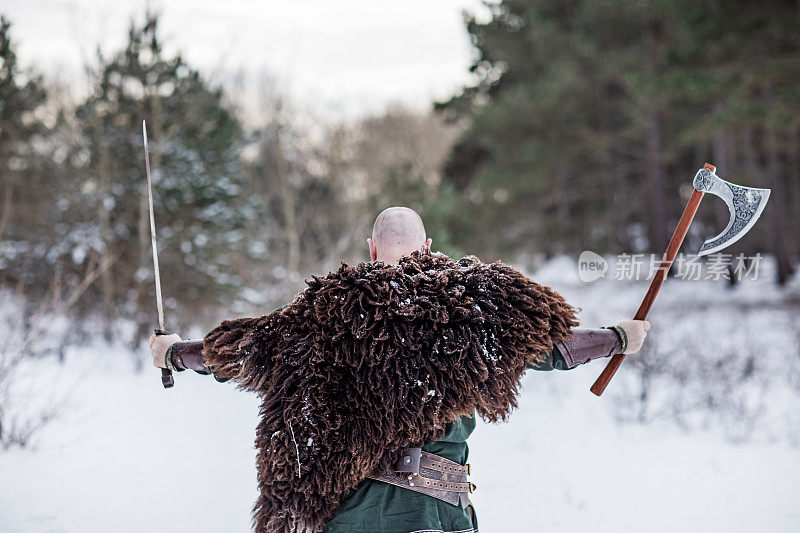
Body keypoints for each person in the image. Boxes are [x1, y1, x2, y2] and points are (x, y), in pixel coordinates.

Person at [150, 206, 650, 533]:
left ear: (371, 250)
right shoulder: (471, 311)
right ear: (429, 247)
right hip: (435, 516)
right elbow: (555, 347)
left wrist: (174, 351)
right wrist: (617, 337)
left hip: (347, 516)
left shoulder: (322, 315)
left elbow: (240, 349)